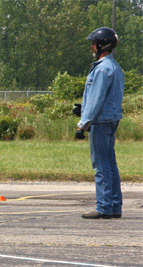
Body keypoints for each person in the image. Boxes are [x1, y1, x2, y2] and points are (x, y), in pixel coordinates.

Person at [77, 27, 124, 219]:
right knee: (110, 163)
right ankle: (114, 205)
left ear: (102, 45)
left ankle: (103, 207)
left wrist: (83, 123)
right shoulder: (115, 67)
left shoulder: (102, 69)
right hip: (111, 119)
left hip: (100, 122)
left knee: (100, 165)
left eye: (94, 43)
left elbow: (96, 99)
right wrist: (82, 107)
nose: (91, 46)